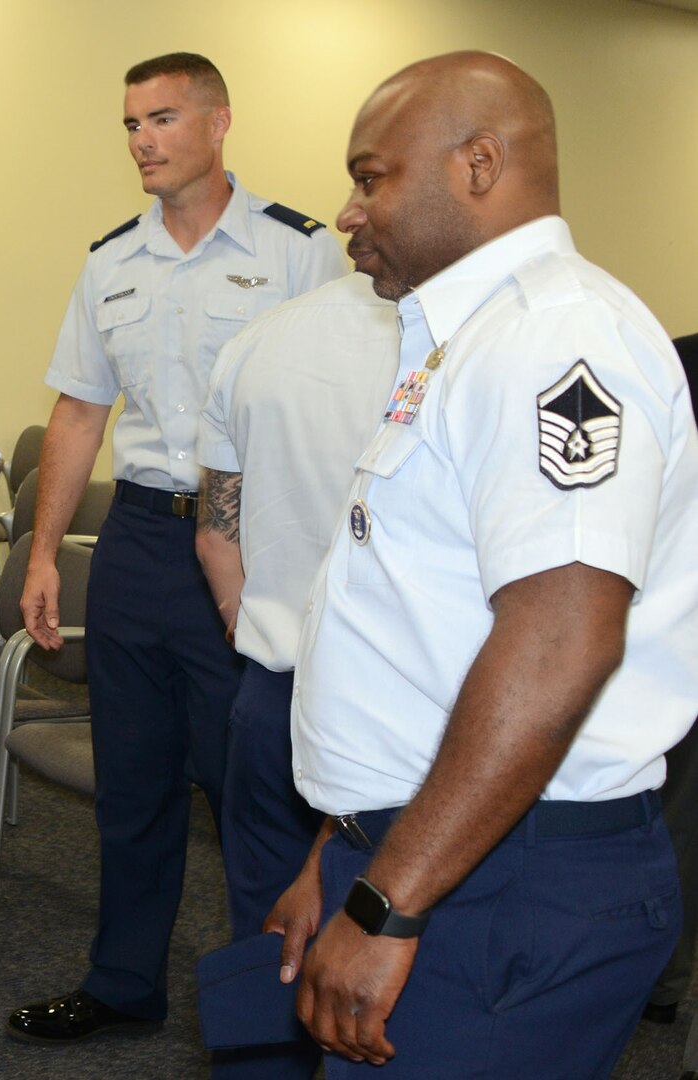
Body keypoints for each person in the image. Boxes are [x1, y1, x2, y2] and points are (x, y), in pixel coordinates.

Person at [282, 52, 698, 1077]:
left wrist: (385, 902)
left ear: (477, 165)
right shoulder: (461, 340)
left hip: (500, 874)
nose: (344, 210)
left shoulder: (552, 339)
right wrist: (340, 849)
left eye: (370, 176)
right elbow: (415, 631)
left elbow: (558, 642)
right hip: (436, 844)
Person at [8, 52, 347, 1044]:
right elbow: (77, 414)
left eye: (160, 118)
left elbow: (335, 411)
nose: (141, 142)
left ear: (217, 121)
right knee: (133, 783)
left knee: (249, 792)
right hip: (134, 545)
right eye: (128, 124)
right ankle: (122, 986)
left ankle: (274, 1013)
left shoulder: (298, 252)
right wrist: (40, 556)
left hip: (246, 546)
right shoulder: (112, 260)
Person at [194, 270, 398, 1077]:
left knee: (268, 936)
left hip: (274, 692)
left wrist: (263, 634)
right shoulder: (462, 344)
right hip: (401, 712)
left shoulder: (258, 340)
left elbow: (216, 536)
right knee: (389, 956)